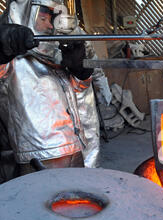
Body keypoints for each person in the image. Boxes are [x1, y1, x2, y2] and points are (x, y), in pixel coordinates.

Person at [0, 0, 96, 179]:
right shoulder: (11, 60)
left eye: (52, 19)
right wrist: (2, 50)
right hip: (37, 157)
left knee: (79, 199)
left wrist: (81, 72)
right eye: (43, 18)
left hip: (74, 147)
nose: (50, 25)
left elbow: (79, 90)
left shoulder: (55, 54)